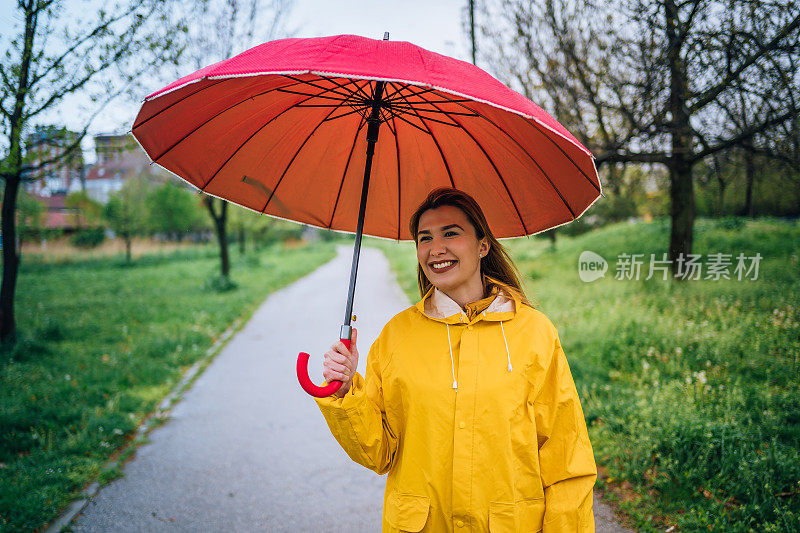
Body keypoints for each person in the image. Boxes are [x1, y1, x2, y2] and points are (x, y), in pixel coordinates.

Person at [315, 188, 597, 532]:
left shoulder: (535, 333)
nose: (436, 249)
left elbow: (567, 461)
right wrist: (346, 393)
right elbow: (379, 453)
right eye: (424, 238)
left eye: (451, 233)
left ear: (483, 245)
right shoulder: (396, 336)